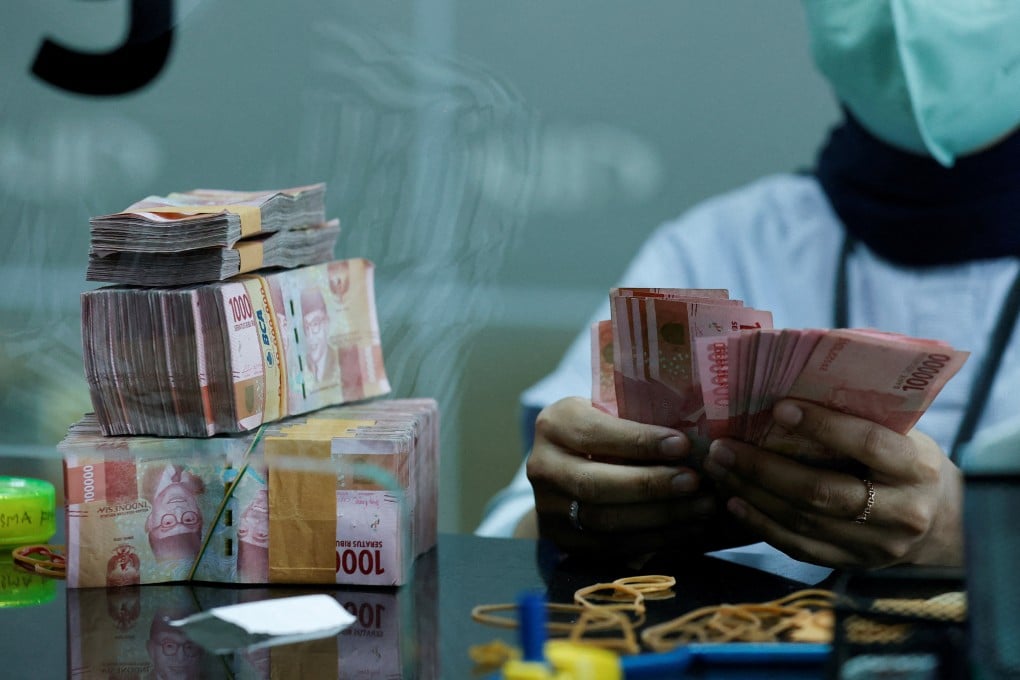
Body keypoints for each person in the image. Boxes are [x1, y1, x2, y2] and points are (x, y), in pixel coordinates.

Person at [477, 1, 1020, 572]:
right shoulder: (715, 245)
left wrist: (974, 538)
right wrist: (567, 520)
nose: (910, 18)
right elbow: (510, 539)